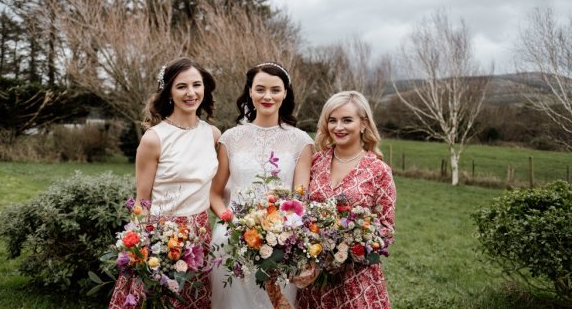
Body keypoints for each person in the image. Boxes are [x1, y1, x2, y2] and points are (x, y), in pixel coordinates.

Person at [109, 57, 220, 309]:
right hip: (161, 237)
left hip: (200, 234)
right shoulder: (154, 138)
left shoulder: (213, 134)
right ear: (169, 91)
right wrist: (138, 248)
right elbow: (142, 200)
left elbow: (217, 189)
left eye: (196, 85)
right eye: (181, 86)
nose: (191, 93)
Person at [210, 62, 314, 309]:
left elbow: (300, 198)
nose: (268, 96)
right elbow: (214, 194)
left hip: (281, 242)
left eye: (275, 90)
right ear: (249, 91)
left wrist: (280, 232)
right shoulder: (230, 138)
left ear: (285, 93)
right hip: (231, 238)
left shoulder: (301, 141)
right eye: (260, 89)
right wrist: (232, 221)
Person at [296, 91, 396, 309]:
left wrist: (347, 247)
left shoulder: (378, 171)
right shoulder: (316, 161)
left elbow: (386, 230)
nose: (338, 127)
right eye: (332, 120)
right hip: (315, 281)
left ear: (363, 124)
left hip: (357, 281)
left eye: (347, 120)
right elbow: (300, 208)